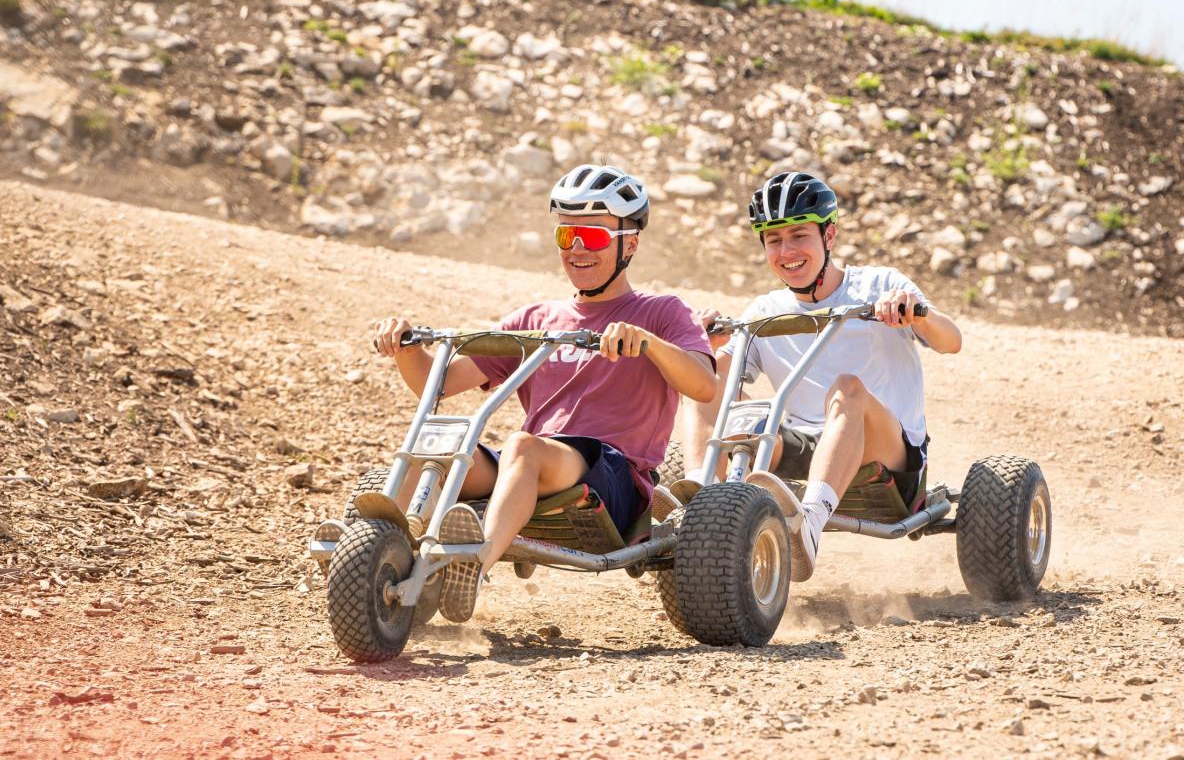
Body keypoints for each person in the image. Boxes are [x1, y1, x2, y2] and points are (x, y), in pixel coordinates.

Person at [373, 164, 717, 622]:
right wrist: (404, 349)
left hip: (613, 478)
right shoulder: (534, 320)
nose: (577, 249)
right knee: (434, 453)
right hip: (531, 466)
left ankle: (472, 569)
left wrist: (648, 343)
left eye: (592, 237)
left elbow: (704, 385)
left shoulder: (661, 313)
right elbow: (436, 386)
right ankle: (380, 561)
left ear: (630, 244)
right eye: (566, 236)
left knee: (522, 447)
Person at [682, 171, 962, 583]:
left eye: (799, 236)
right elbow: (712, 384)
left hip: (887, 456)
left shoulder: (880, 284)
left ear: (828, 235)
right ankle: (698, 500)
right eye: (774, 240)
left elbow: (952, 341)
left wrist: (916, 312)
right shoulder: (764, 311)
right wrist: (701, 347)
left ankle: (809, 524)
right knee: (705, 381)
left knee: (848, 389)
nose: (787, 251)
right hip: (803, 451)